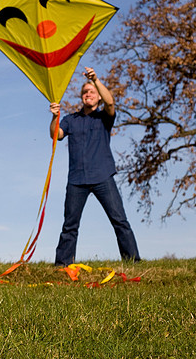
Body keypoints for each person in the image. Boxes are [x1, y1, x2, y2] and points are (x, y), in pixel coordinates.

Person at [49, 66, 140, 266]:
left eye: (91, 92)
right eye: (85, 92)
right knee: (70, 225)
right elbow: (56, 134)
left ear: (98, 97)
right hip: (76, 180)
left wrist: (96, 80)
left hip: (103, 176)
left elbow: (111, 102)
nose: (87, 94)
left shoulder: (104, 117)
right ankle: (62, 265)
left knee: (120, 221)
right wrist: (55, 116)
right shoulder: (70, 119)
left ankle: (132, 262)